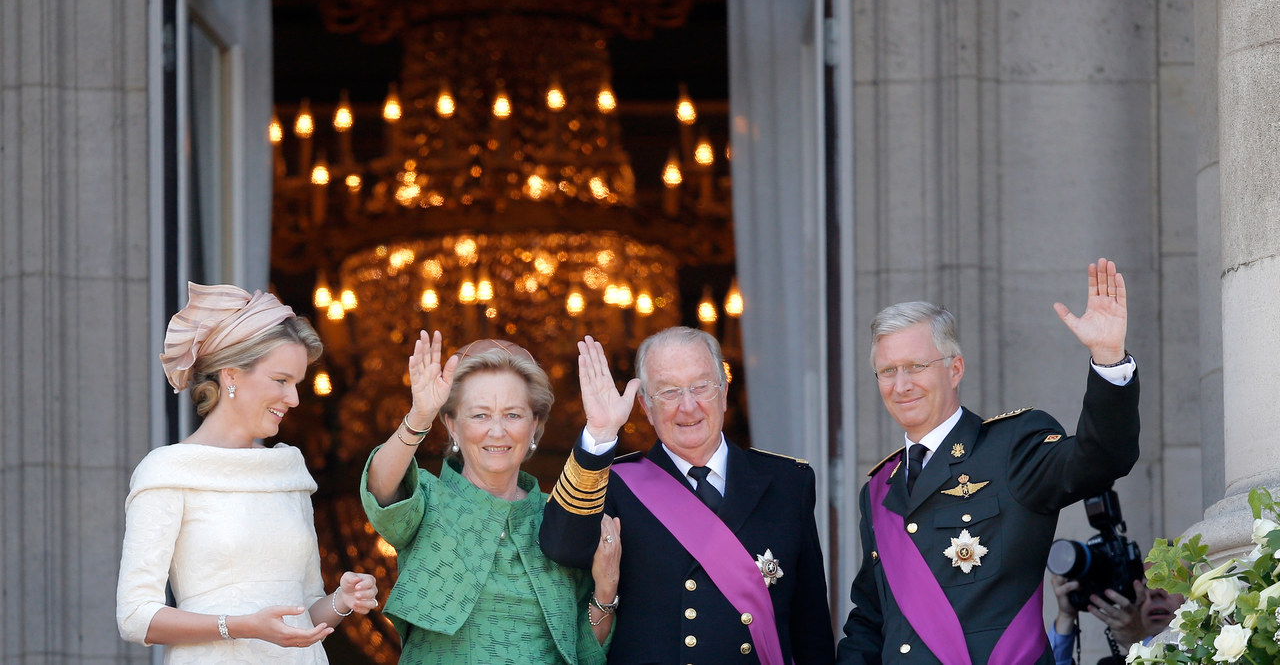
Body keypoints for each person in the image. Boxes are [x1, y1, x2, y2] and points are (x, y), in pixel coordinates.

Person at [835, 258, 1142, 664]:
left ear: (955, 368)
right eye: (887, 371)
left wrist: (1108, 359)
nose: (901, 385)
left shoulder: (1010, 447)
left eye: (915, 367)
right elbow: (871, 620)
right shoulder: (878, 490)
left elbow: (1101, 458)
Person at [117, 282, 379, 663]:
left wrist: (341, 601)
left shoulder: (288, 469)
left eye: (297, 384)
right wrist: (242, 626)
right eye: (281, 381)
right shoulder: (167, 470)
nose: (293, 399)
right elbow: (134, 616)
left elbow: (304, 610)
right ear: (232, 375)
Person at [541, 326, 836, 664]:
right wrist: (601, 432)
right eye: (668, 392)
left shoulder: (786, 483)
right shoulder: (615, 485)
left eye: (701, 387)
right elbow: (560, 547)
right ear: (646, 406)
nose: (688, 406)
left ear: (724, 392)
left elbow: (810, 624)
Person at [360, 331, 620, 665]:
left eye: (513, 415)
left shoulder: (561, 519)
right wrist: (419, 417)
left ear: (535, 425)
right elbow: (380, 488)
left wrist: (606, 589)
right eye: (480, 415)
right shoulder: (428, 498)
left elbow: (586, 651)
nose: (497, 431)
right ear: (452, 425)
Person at [1049, 572, 1185, 665]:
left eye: (1170, 582)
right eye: (1146, 585)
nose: (1155, 592)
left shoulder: (1206, 652)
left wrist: (1138, 642)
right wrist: (1066, 616)